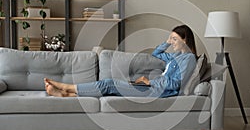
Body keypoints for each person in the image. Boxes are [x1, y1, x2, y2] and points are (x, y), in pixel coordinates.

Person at [44, 25, 197, 98]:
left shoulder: (189, 59)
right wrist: (167, 41)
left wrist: (152, 83)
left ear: (185, 40)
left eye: (175, 39)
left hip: (157, 91)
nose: (172, 42)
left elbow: (177, 84)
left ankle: (65, 87)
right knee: (111, 90)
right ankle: (65, 95)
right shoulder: (175, 57)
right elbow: (156, 53)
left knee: (108, 84)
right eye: (171, 39)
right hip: (153, 86)